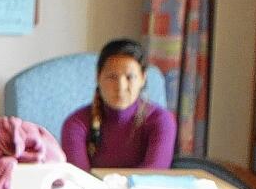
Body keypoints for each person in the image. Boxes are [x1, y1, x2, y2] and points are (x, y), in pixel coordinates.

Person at [60, 38, 177, 171]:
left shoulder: (161, 120)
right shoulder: (76, 123)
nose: (120, 87)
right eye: (112, 77)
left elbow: (151, 175)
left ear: (143, 79)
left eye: (130, 77)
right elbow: (80, 178)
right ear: (98, 77)